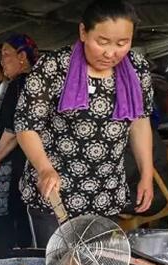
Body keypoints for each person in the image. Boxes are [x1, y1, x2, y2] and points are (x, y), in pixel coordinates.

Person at [14, 0, 154, 248]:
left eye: (122, 44)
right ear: (83, 32)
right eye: (102, 42)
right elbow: (26, 124)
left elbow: (139, 122)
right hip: (55, 190)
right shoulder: (55, 66)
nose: (111, 53)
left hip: (106, 191)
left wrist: (147, 173)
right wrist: (44, 168)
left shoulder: (137, 68)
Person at [0, 34, 38, 252]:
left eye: (6, 55)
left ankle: (11, 264)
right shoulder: (30, 84)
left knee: (11, 221)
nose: (3, 61)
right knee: (23, 219)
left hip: (15, 167)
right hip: (24, 166)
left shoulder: (20, 85)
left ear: (22, 57)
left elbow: (15, 130)